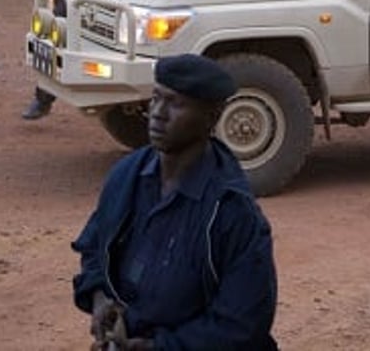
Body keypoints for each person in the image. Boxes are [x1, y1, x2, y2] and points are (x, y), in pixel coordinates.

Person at [72, 54, 278, 350]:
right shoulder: (127, 177)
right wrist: (100, 299)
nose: (158, 112)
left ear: (212, 116)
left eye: (176, 103)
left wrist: (159, 348)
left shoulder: (232, 212)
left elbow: (243, 324)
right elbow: (94, 246)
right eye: (156, 98)